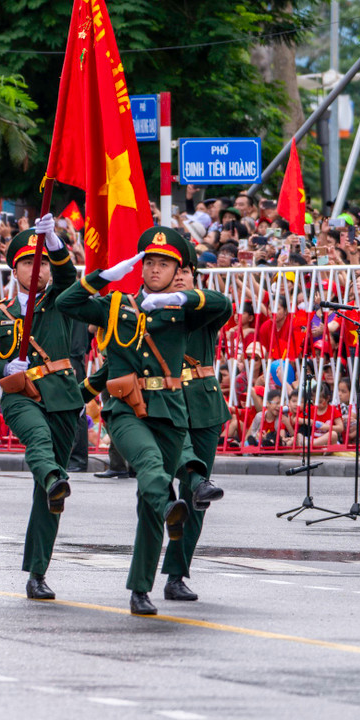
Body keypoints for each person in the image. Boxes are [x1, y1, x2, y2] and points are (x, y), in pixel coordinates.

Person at [57, 226, 225, 616]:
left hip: (171, 411)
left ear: (177, 270)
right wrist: (104, 276)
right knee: (150, 467)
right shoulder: (116, 306)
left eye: (164, 264)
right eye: (148, 261)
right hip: (126, 409)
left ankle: (140, 588)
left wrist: (183, 296)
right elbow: (69, 302)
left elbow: (223, 304)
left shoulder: (183, 311)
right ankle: (169, 500)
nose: (154, 269)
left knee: (150, 508)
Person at [0, 217, 80, 600]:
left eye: (44, 262)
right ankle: (51, 474)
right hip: (20, 395)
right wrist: (1, 368)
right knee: (38, 439)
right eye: (30, 262)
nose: (38, 269)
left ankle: (37, 572)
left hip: (62, 395)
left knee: (49, 495)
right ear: (14, 269)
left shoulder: (62, 297)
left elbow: (69, 278)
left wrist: (55, 241)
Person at [161, 240, 231, 602]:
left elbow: (224, 305)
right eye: (176, 272)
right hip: (163, 402)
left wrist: (188, 297)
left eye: (186, 272)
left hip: (203, 407)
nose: (180, 278)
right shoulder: (149, 309)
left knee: (195, 499)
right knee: (178, 484)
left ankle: (176, 573)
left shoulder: (202, 309)